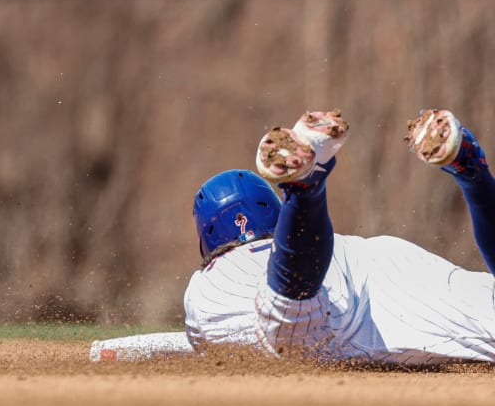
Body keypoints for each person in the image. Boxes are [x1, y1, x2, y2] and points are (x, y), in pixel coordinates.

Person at [182, 107, 495, 364]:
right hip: (375, 264)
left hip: (306, 285)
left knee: (287, 325)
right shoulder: (343, 247)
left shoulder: (211, 279)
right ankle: (472, 170)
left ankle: (306, 184)